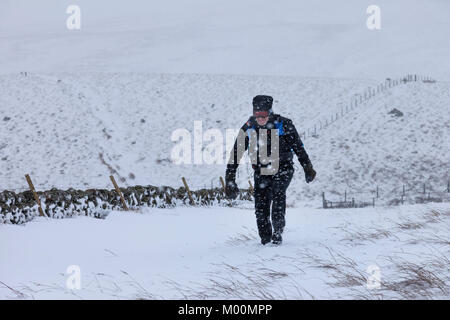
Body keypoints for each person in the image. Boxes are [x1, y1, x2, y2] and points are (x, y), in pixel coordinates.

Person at [225, 95, 316, 245]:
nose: (260, 118)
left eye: (264, 115)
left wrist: (308, 168)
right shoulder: (249, 127)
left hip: (283, 168)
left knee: (278, 192)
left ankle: (277, 233)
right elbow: (236, 153)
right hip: (261, 170)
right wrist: (230, 179)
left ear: (270, 112)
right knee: (261, 205)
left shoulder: (284, 124)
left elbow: (298, 147)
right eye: (257, 115)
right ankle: (265, 239)